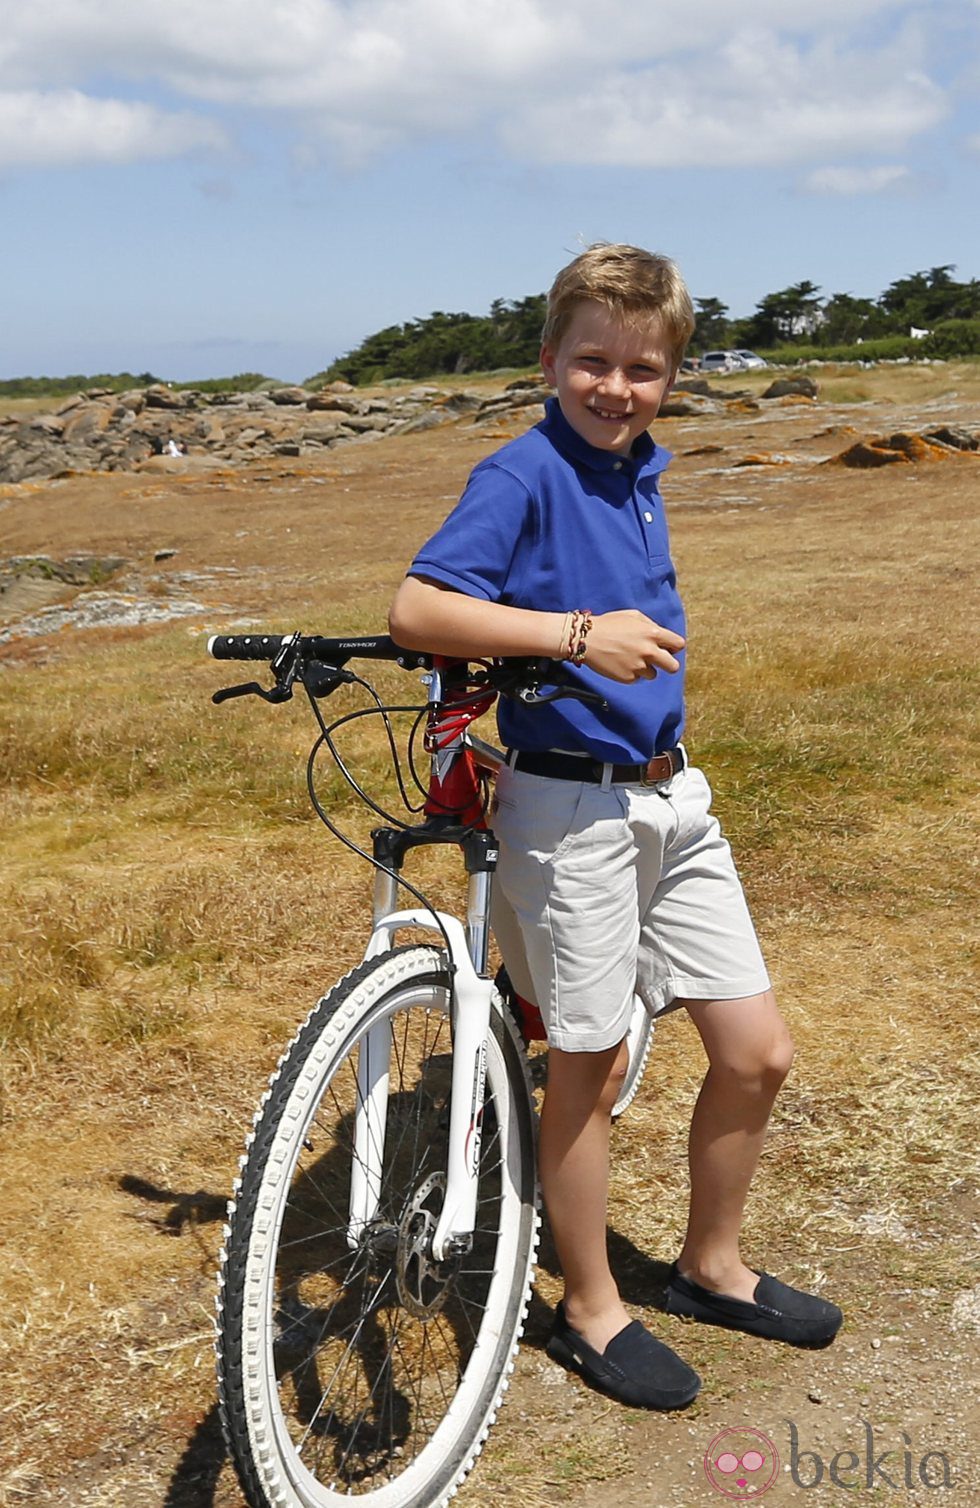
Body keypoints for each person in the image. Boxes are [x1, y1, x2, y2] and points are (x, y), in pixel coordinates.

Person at [388, 243, 841, 1411]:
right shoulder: (522, 469)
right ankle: (587, 1304)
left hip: (669, 796)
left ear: (669, 376)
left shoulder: (638, 467)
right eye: (592, 361)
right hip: (569, 807)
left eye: (641, 368)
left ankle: (709, 1265)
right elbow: (415, 605)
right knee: (582, 1063)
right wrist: (576, 635)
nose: (614, 387)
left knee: (755, 1049)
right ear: (547, 362)